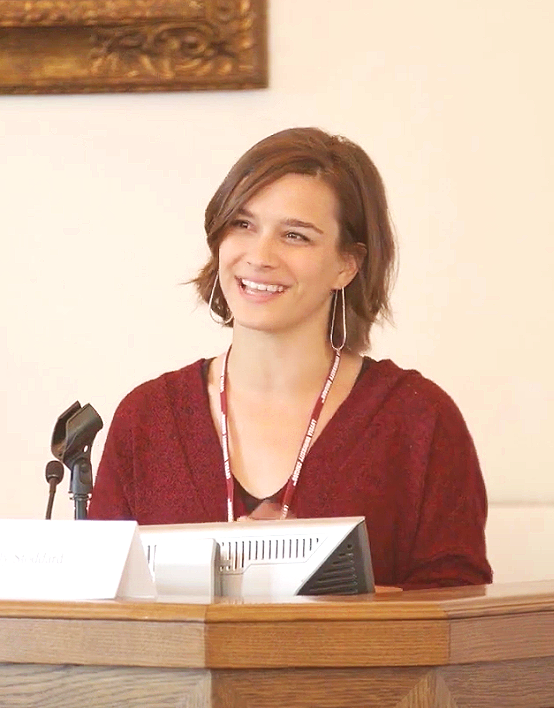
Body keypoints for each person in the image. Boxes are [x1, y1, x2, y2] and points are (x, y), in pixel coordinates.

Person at [88, 127, 492, 590]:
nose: (259, 256)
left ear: (347, 265)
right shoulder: (147, 418)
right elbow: (102, 610)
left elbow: (459, 617)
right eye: (243, 224)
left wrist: (327, 605)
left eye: (295, 236)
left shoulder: (421, 419)